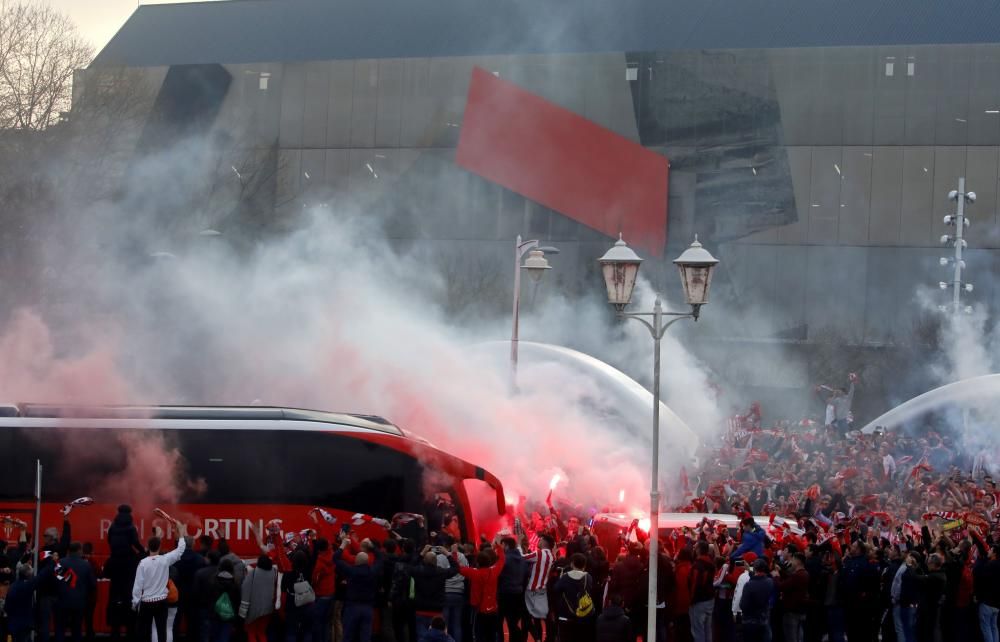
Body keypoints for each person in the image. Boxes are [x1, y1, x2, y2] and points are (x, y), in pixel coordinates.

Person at [132, 519, 187, 642]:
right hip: (161, 602)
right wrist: (182, 534)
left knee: (142, 632)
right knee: (162, 631)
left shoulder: (143, 563)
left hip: (146, 602)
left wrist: (135, 602)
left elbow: (137, 585)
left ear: (148, 546)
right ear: (160, 546)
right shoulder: (165, 560)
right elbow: (180, 550)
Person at [105, 505, 145, 641]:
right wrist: (143, 551)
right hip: (128, 565)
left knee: (115, 601)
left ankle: (115, 632)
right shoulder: (131, 528)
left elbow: (109, 541)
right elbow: (135, 543)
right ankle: (130, 633)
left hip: (115, 563)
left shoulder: (112, 527)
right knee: (129, 600)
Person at [335, 538, 383, 642]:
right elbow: (380, 558)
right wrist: (372, 547)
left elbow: (336, 558)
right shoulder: (372, 572)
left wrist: (342, 545)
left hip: (352, 606)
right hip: (368, 607)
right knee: (365, 636)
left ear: (356, 560)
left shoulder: (351, 571)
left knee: (348, 635)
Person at [458, 537, 505, 642]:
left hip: (479, 610)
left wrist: (453, 554)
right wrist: (498, 546)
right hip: (492, 609)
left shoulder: (474, 573)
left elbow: (458, 568)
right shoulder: (494, 572)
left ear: (478, 562)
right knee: (492, 635)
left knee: (478, 635)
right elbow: (502, 560)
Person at [408, 544, 458, 642]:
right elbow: (456, 568)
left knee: (422, 637)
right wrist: (448, 554)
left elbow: (410, 566)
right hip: (437, 611)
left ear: (424, 561)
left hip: (420, 609)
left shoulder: (418, 571)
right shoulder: (441, 572)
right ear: (436, 561)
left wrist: (422, 553)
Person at [53, 541, 97, 642]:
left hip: (62, 602)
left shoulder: (61, 563)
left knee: (60, 630)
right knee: (77, 631)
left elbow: (54, 582)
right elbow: (93, 584)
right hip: (79, 603)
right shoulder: (85, 565)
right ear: (79, 550)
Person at [552, 553, 596, 642]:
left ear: (572, 563)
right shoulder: (588, 577)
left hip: (566, 616)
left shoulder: (565, 577)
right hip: (583, 616)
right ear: (584, 565)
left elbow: (556, 589)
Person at [523, 534, 554, 642]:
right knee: (543, 619)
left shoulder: (539, 553)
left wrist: (518, 545)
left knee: (529, 619)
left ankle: (538, 639)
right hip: (544, 590)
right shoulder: (552, 555)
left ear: (545, 542)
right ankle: (546, 639)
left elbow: (522, 558)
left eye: (540, 540)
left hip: (533, 590)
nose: (538, 542)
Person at [240, 555, 277, 642]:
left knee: (251, 632)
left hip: (254, 608)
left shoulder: (253, 573)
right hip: (268, 608)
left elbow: (245, 591)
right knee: (261, 633)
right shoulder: (273, 572)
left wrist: (242, 612)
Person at [773, 553, 809, 642]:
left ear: (797, 561)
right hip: (801, 610)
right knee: (799, 636)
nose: (791, 562)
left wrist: (776, 576)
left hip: (792, 612)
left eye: (792, 560)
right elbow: (791, 581)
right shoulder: (805, 573)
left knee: (791, 638)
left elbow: (782, 586)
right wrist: (781, 571)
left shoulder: (798, 575)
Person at [498, 537, 528, 642]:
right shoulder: (522, 559)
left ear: (506, 545)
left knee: (505, 623)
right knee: (513, 622)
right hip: (519, 593)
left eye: (501, 545)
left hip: (505, 593)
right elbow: (525, 574)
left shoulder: (505, 559)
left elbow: (499, 574)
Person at [739, 559, 774, 642]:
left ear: (755, 569)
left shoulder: (749, 585)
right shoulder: (769, 581)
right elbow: (759, 578)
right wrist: (749, 570)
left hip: (750, 622)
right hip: (764, 620)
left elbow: (743, 605)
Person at [688, 541, 715, 642]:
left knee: (698, 630)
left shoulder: (698, 566)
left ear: (698, 549)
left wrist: (691, 600)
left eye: (695, 547)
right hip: (710, 599)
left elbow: (695, 584)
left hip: (699, 601)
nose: (693, 549)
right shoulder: (711, 563)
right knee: (708, 629)